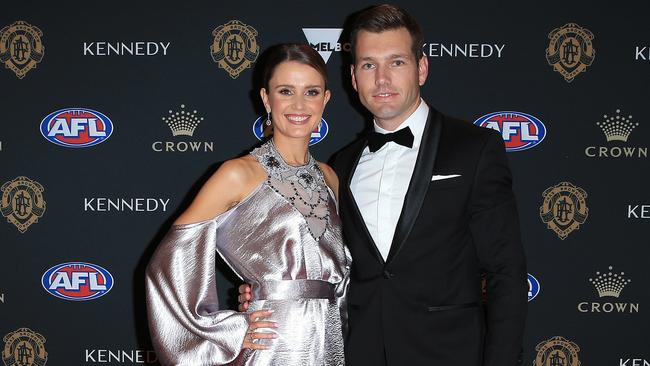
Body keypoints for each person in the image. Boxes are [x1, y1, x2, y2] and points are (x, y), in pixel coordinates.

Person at [240, 5, 527, 366]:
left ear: (421, 68)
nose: (382, 80)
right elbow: (326, 265)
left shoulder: (474, 148)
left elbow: (506, 272)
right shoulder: (338, 167)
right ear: (353, 77)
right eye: (369, 65)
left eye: (396, 62)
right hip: (359, 352)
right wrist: (269, 290)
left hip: (450, 353)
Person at [145, 43, 351, 366]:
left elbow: (341, 276)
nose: (299, 104)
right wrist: (226, 330)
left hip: (330, 345)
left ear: (325, 99)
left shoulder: (330, 178)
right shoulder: (238, 174)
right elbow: (165, 267)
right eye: (286, 91)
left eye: (311, 92)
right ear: (267, 99)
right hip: (271, 346)